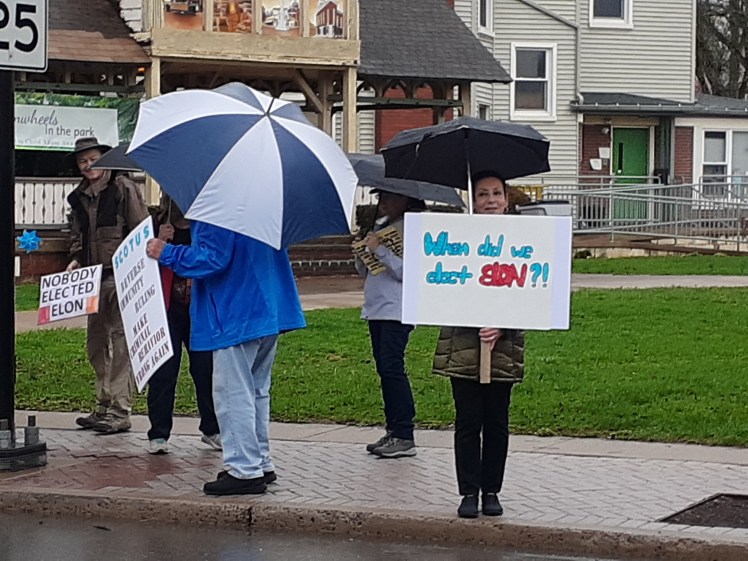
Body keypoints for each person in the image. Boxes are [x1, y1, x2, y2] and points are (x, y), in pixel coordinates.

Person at [146, 221, 305, 496]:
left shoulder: (216, 209)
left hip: (233, 310)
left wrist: (167, 252)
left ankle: (244, 468)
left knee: (233, 392)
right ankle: (260, 461)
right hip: (269, 306)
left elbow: (212, 258)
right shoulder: (263, 206)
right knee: (257, 391)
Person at [432, 173, 525, 519]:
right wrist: (474, 319)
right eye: (482, 194)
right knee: (468, 422)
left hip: (503, 350)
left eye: (496, 193)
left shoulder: (524, 240)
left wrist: (503, 324)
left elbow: (533, 293)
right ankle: (469, 491)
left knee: (497, 422)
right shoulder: (458, 238)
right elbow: (442, 289)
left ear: (507, 200)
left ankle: (492, 490)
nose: (490, 200)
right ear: (473, 200)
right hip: (463, 347)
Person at [67, 137, 149, 435]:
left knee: (121, 341)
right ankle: (102, 404)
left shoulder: (123, 187)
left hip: (120, 276)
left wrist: (137, 269)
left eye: (93, 159)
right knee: (95, 343)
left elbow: (140, 229)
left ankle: (120, 409)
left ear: (104, 159)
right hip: (92, 278)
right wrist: (76, 258)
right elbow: (77, 235)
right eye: (82, 161)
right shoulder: (78, 197)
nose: (88, 165)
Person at [146, 196, 221, 455]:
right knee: (164, 372)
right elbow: (141, 267)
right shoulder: (157, 225)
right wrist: (159, 240)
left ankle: (212, 428)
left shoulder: (206, 228)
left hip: (199, 310)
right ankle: (158, 432)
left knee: (204, 369)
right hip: (167, 308)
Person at [354, 190, 426, 459]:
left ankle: (404, 433)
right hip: (376, 308)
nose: (383, 202)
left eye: (390, 197)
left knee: (392, 368)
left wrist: (380, 250)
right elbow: (365, 271)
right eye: (381, 197)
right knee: (385, 370)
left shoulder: (412, 228)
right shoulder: (382, 227)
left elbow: (410, 272)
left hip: (396, 310)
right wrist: (362, 251)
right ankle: (393, 429)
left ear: (407, 198)